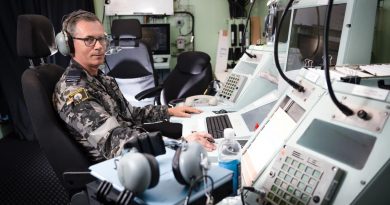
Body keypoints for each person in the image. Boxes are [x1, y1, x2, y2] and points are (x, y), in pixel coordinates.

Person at [53, 10, 215, 162]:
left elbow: (131, 114)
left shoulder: (102, 79)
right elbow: (115, 140)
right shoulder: (73, 91)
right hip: (121, 165)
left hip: (139, 148)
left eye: (102, 38)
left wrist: (168, 111)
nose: (99, 46)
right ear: (69, 45)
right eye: (89, 40)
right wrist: (180, 143)